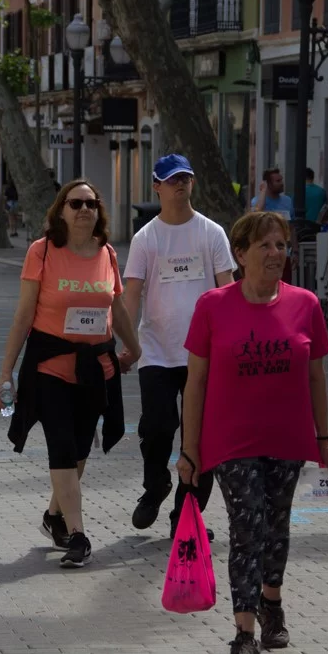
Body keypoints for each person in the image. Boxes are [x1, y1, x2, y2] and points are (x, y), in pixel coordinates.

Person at [177, 211, 328, 654]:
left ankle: (273, 605)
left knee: (277, 527)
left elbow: (316, 378)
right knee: (247, 526)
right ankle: (244, 631)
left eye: (281, 245)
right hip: (231, 442)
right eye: (265, 246)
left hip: (287, 439)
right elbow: (195, 383)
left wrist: (323, 439)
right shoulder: (212, 305)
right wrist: (188, 449)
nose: (276, 254)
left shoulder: (305, 304)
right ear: (240, 254)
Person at [0, 179, 140, 568]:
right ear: (61, 211)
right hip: (49, 364)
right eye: (74, 204)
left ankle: (53, 516)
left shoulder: (107, 253)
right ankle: (78, 535)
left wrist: (135, 349)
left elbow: (118, 308)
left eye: (90, 204)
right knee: (60, 442)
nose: (83, 210)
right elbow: (24, 314)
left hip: (94, 366)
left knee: (78, 449)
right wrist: (6, 372)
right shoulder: (42, 252)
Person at [123, 154, 236, 539]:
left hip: (204, 354)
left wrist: (232, 341)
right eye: (172, 180)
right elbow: (131, 295)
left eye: (186, 178)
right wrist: (126, 344)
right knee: (156, 427)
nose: (180, 185)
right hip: (156, 350)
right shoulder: (146, 238)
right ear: (156, 186)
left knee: (200, 438)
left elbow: (226, 290)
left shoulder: (211, 233)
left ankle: (186, 514)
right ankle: (155, 486)